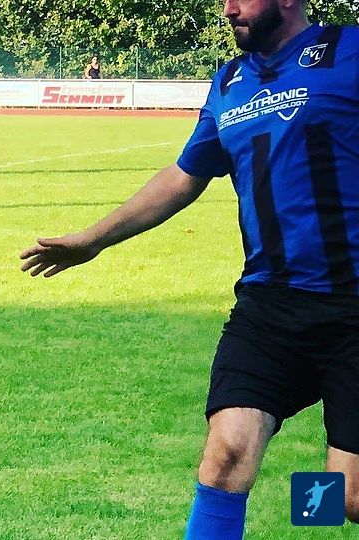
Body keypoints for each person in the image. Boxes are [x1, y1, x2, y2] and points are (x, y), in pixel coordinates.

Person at [20, 1, 359, 538]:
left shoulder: (351, 51)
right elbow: (183, 177)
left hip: (353, 306)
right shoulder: (228, 82)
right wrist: (93, 240)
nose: (229, 9)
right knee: (227, 454)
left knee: (350, 497)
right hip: (268, 306)